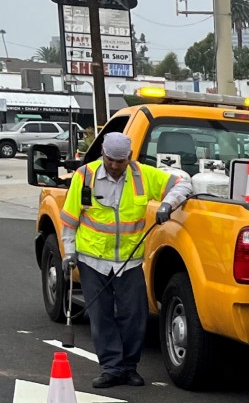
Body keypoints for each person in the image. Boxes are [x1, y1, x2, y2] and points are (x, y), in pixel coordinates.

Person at [60, 131, 193, 388]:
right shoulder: (85, 176)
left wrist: (168, 204)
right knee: (101, 316)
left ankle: (129, 367)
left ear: (129, 158)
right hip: (92, 259)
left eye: (120, 161)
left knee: (134, 316)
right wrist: (69, 254)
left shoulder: (143, 175)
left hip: (129, 261)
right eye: (110, 159)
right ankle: (111, 368)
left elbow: (183, 185)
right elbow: (70, 219)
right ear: (103, 154)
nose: (114, 165)